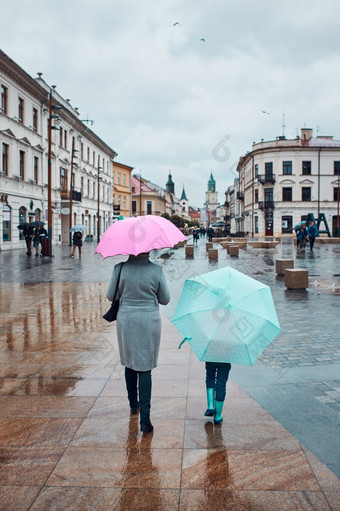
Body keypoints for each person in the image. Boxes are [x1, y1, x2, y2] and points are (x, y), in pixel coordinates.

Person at [106, 253, 170, 432]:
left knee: (130, 362)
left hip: (126, 319)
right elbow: (165, 299)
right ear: (149, 250)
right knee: (145, 367)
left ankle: (133, 404)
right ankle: (146, 419)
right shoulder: (156, 270)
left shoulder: (119, 269)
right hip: (149, 320)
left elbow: (110, 295)